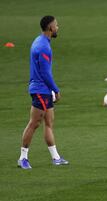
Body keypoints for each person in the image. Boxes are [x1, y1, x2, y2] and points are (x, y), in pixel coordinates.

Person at [18, 15, 69, 169]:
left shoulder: (40, 41)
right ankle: (23, 158)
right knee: (34, 123)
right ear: (50, 28)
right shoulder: (43, 47)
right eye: (56, 25)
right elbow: (45, 73)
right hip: (40, 90)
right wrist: (56, 90)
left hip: (43, 89)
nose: (58, 27)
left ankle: (55, 157)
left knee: (49, 123)